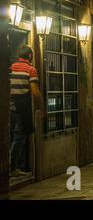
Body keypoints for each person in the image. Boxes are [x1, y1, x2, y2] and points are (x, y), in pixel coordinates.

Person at [9, 45, 42, 177]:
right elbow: (35, 91)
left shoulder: (10, 68)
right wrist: (40, 107)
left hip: (8, 108)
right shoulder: (31, 70)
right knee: (19, 138)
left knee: (11, 137)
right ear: (29, 56)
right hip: (22, 108)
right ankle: (11, 168)